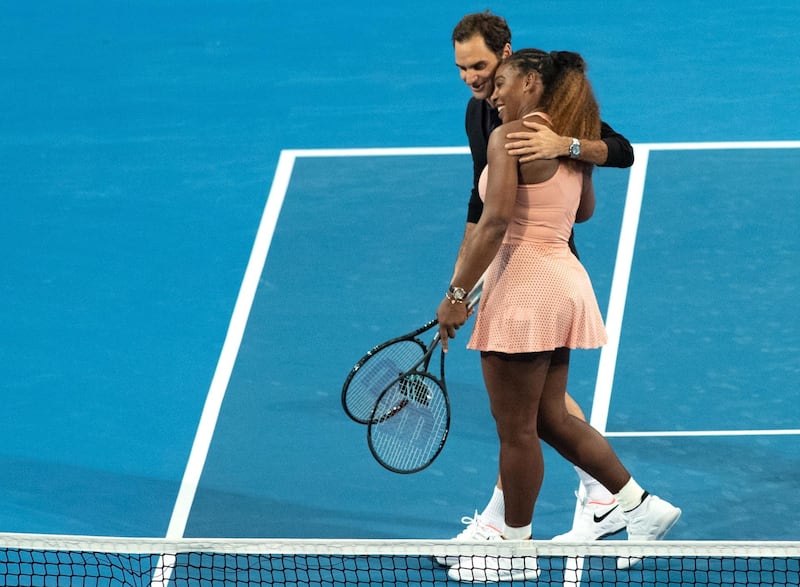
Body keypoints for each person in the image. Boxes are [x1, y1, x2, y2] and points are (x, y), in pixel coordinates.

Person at [436, 47, 681, 583]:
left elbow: (495, 221)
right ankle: (640, 506)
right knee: (552, 418)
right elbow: (583, 212)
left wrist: (456, 296)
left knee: (516, 432)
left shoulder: (509, 139)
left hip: (524, 290)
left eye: (501, 82)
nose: (492, 93)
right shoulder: (568, 140)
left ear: (529, 83)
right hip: (564, 282)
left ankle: (514, 553)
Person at [446, 10, 634, 546]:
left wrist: (565, 145)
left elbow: (621, 150)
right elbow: (479, 200)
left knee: (521, 422)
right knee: (543, 411)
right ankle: (606, 497)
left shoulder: (555, 107)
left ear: (507, 55)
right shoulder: (478, 114)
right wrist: (465, 273)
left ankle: (508, 534)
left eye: (479, 66)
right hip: (511, 263)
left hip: (538, 267)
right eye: (461, 68)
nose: (471, 78)